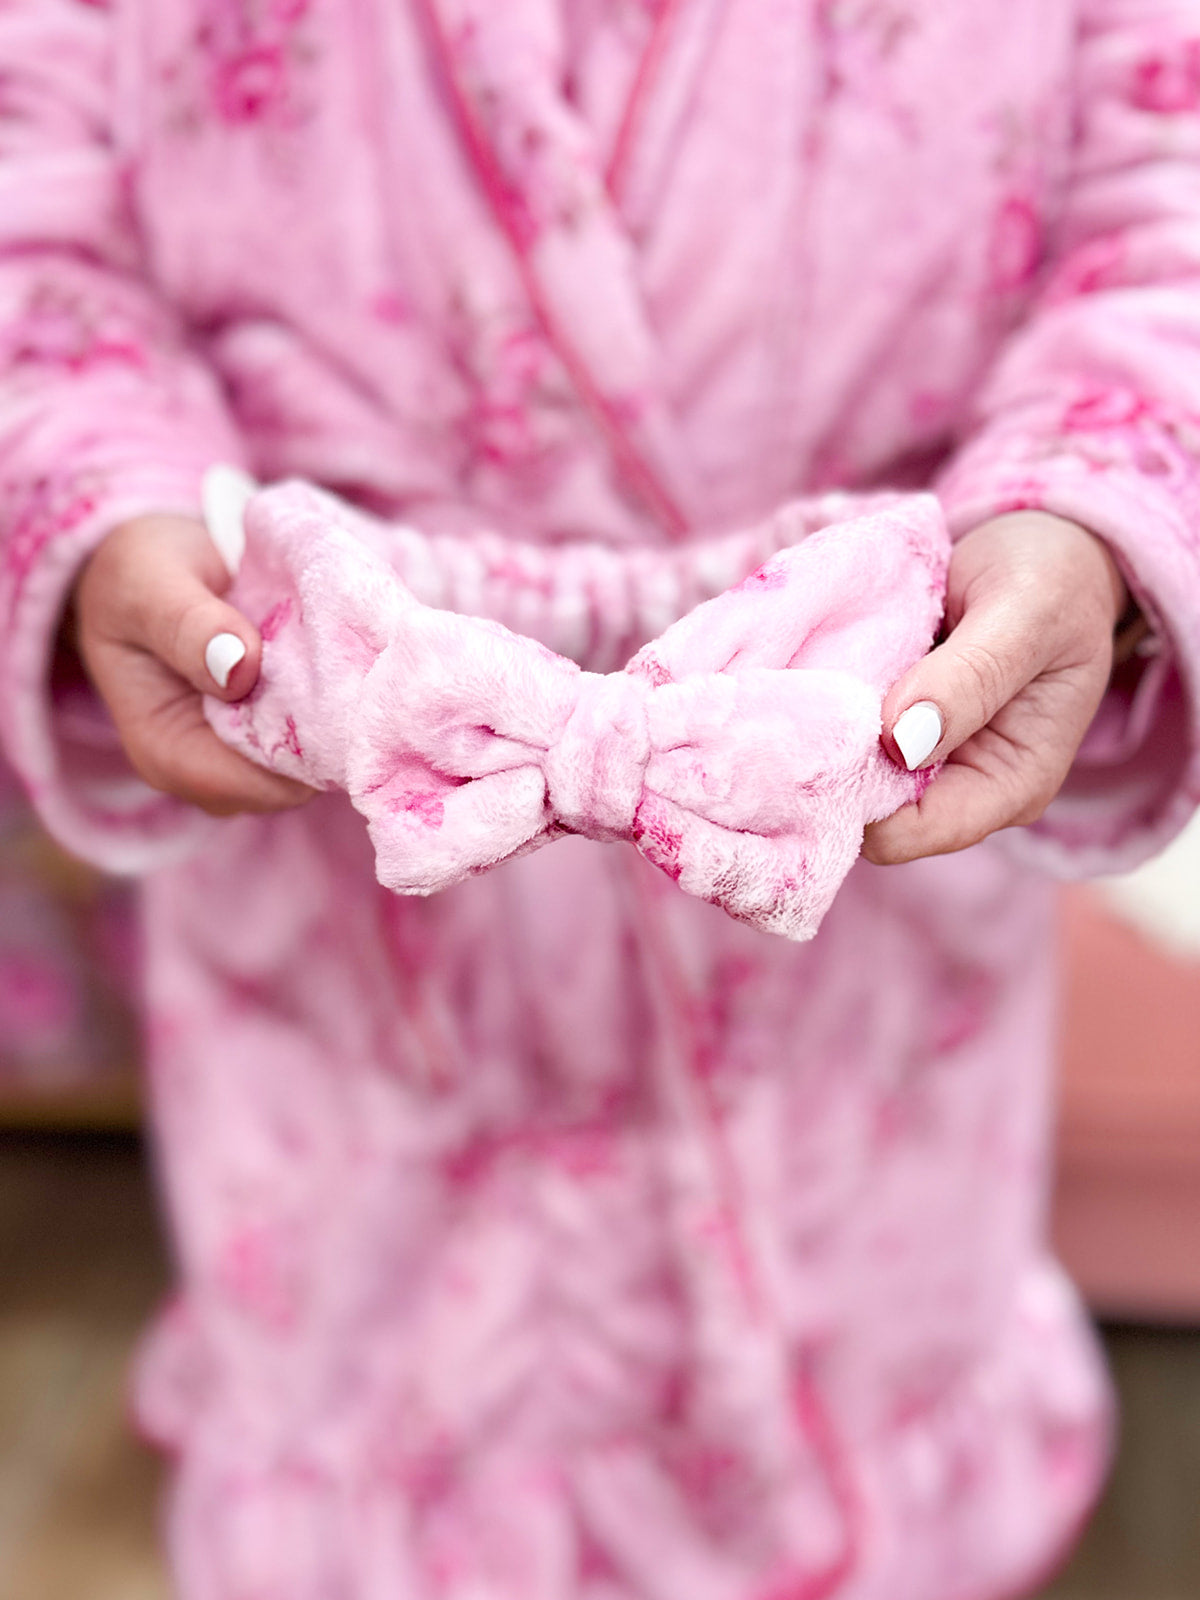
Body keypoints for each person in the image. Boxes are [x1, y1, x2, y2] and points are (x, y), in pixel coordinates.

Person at [3, 3, 1199, 1596]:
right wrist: (98, 495)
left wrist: (1088, 514)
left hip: (863, 958)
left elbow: (1165, 192)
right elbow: (38, 214)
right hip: (342, 961)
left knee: (874, 1442)